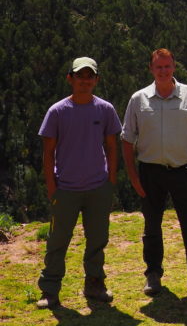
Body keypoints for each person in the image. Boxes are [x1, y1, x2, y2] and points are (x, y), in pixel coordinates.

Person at [121, 48, 187, 296]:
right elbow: (127, 139)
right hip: (150, 172)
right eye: (158, 67)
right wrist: (133, 177)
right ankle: (153, 274)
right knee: (152, 226)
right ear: (151, 69)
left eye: (167, 66)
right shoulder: (138, 99)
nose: (163, 71)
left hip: (184, 171)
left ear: (174, 66)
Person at [36, 57, 121, 309]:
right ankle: (50, 290)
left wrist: (110, 181)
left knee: (97, 240)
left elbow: (112, 146)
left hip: (98, 188)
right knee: (57, 241)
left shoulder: (105, 109)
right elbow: (48, 153)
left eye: (89, 76)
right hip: (67, 189)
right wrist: (53, 188)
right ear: (70, 79)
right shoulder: (57, 111)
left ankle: (94, 284)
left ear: (96, 80)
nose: (85, 80)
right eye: (80, 75)